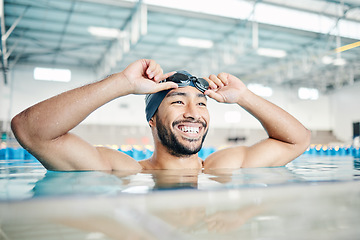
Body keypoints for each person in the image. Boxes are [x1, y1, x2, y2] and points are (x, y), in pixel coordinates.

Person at [11, 59, 311, 171]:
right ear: (152, 118)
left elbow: (298, 141)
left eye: (202, 104)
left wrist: (245, 96)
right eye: (178, 102)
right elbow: (31, 132)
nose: (194, 114)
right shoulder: (124, 171)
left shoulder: (223, 166)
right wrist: (123, 83)